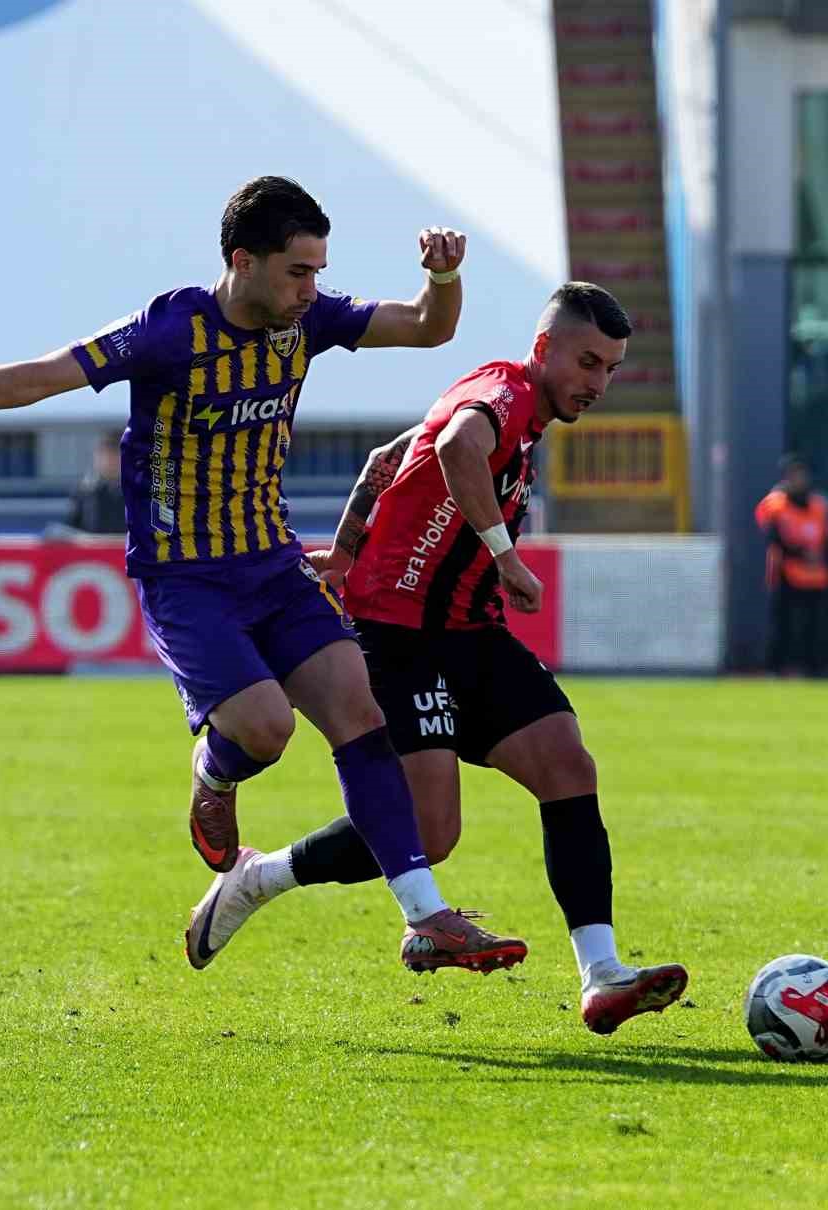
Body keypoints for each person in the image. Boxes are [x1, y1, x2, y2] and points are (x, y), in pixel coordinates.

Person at [0, 175, 525, 974]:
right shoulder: (169, 330)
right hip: (186, 578)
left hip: (274, 562)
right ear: (243, 260)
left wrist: (444, 277)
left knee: (357, 711)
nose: (311, 290)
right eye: (298, 272)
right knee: (265, 729)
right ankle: (217, 772)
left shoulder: (307, 320)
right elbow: (44, 374)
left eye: (317, 272)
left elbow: (427, 328)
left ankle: (425, 917)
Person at [180, 282, 688, 1036]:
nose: (598, 383)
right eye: (587, 362)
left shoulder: (520, 414)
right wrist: (504, 554)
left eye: (610, 369)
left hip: (470, 632)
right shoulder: (505, 393)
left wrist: (344, 548)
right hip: (399, 633)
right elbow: (455, 447)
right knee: (432, 830)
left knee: (567, 765)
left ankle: (603, 974)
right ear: (544, 349)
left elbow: (390, 455)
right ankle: (258, 880)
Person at [755, 454, 828, 675]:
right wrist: (799, 553)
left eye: (802, 474)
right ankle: (776, 667)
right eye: (794, 475)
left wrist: (826, 560)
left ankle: (814, 667)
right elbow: (773, 539)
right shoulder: (775, 505)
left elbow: (827, 539)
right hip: (786, 572)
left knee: (815, 625)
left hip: (816, 574)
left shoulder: (819, 505)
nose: (800, 479)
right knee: (783, 623)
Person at [61, 430, 128, 535]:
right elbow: (71, 530)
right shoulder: (84, 491)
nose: (108, 461)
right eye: (103, 455)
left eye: (114, 455)